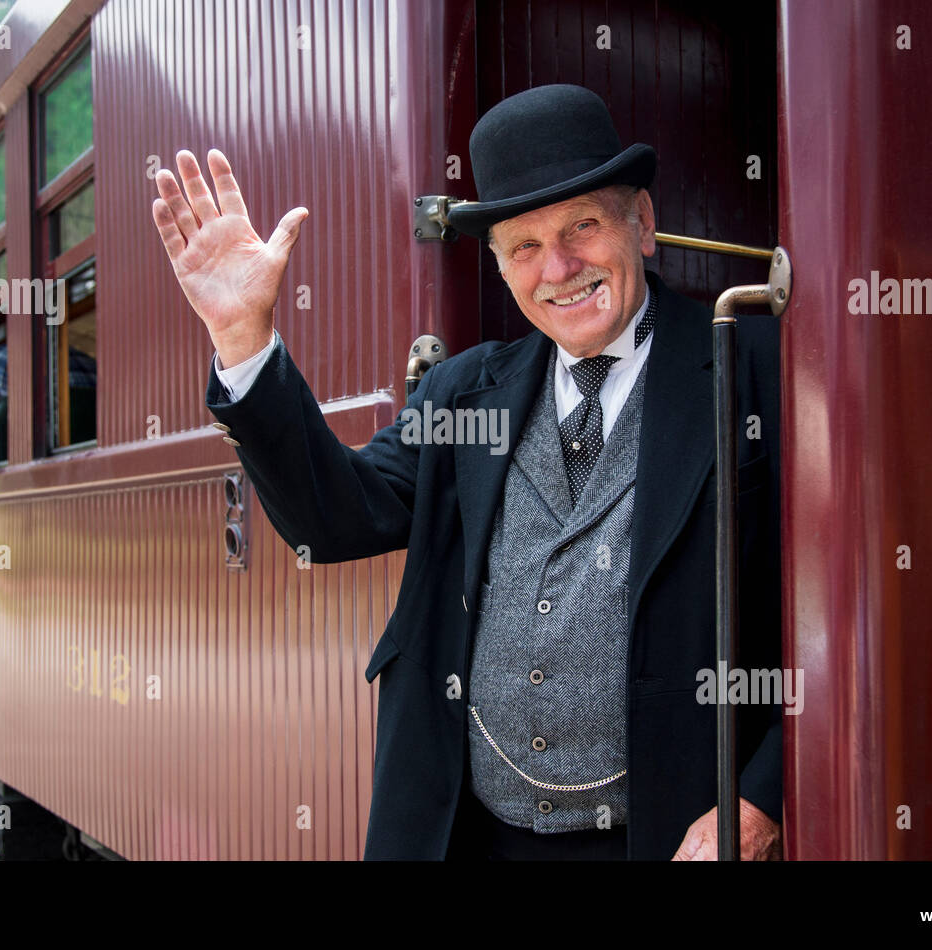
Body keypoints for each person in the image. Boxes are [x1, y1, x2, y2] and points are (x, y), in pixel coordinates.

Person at [151, 84, 782, 860]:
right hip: (472, 837)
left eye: (582, 226)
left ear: (642, 223)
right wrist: (245, 338)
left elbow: (843, 613)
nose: (558, 267)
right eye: (524, 246)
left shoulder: (754, 371)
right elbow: (336, 517)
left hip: (668, 838)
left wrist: (758, 799)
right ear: (500, 266)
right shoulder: (464, 391)